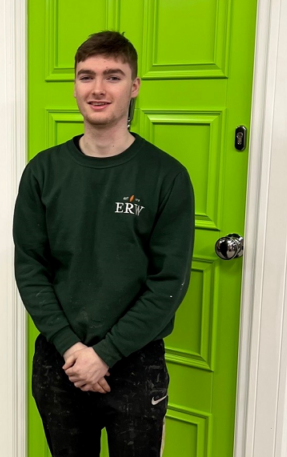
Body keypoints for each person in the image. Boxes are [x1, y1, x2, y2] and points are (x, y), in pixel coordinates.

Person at [13, 31, 195, 456]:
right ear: (74, 85)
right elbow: (30, 268)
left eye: (113, 77)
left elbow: (168, 284)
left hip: (135, 365)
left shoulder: (165, 177)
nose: (97, 89)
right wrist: (74, 349)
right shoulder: (43, 172)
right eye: (86, 76)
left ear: (134, 87)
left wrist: (106, 353)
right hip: (62, 360)